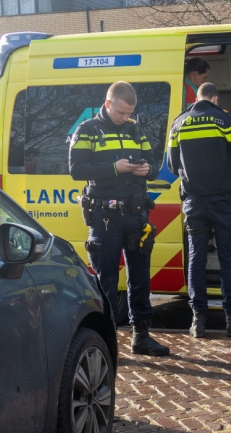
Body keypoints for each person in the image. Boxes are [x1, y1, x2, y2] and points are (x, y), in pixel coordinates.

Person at [69, 81, 170, 357]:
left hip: (135, 214)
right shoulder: (87, 130)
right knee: (106, 282)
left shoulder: (135, 129)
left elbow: (154, 165)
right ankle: (107, 344)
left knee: (140, 279)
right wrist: (114, 168)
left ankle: (142, 336)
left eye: (129, 113)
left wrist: (148, 169)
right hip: (105, 216)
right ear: (108, 103)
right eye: (121, 112)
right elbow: (76, 169)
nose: (125, 117)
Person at [167, 82, 231, 339]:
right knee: (227, 260)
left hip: (193, 202)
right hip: (221, 202)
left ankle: (198, 322)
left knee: (196, 261)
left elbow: (172, 166)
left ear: (197, 97)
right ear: (215, 99)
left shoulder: (179, 123)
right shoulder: (222, 120)